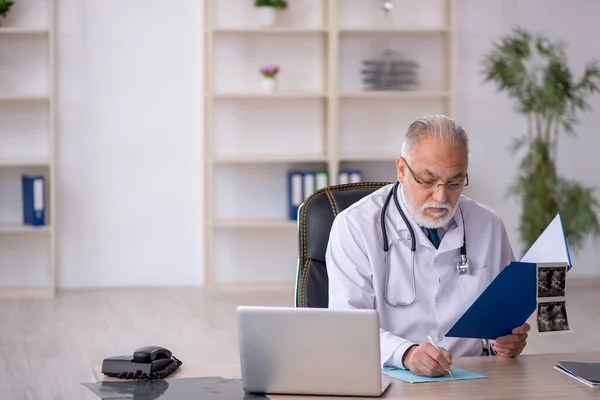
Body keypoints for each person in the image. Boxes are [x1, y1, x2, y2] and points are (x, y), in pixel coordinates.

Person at [325, 115, 530, 377]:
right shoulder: (355, 226)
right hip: (389, 376)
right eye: (428, 180)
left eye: (454, 182)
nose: (441, 196)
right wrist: (406, 353)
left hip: (474, 379)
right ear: (401, 170)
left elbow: (501, 315)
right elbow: (347, 327)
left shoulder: (488, 224)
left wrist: (504, 342)